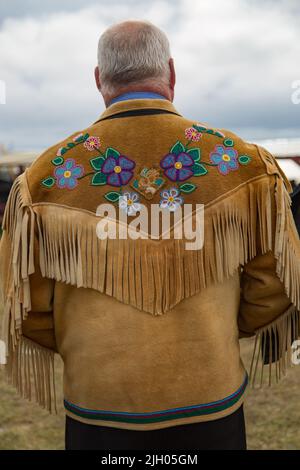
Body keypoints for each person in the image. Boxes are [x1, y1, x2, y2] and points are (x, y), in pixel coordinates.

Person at [0, 20, 299, 451]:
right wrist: (214, 329)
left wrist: (82, 343)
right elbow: (275, 285)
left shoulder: (45, 178)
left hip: (98, 403)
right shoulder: (243, 165)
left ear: (100, 80)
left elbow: (23, 302)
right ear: (171, 74)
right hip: (209, 397)